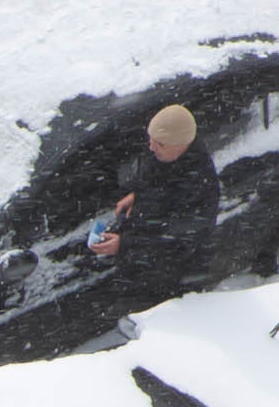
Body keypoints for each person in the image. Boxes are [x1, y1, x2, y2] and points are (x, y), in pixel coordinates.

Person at [83, 99, 226, 287]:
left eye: (158, 144)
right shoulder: (165, 152)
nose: (151, 147)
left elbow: (176, 241)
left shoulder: (198, 185)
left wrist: (125, 245)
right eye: (150, 140)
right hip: (141, 260)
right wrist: (136, 194)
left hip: (167, 276)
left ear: (182, 144)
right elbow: (151, 179)